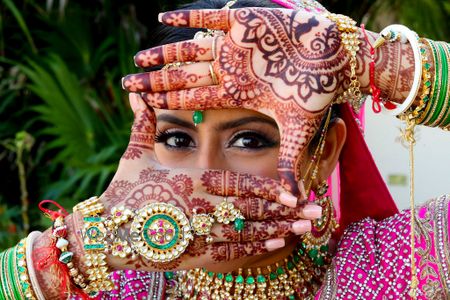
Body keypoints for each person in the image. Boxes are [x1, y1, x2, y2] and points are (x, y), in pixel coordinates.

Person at [0, 0, 449, 299]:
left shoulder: (399, 267)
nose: (204, 174)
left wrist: (367, 63)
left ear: (325, 153)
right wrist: (72, 250)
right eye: (176, 139)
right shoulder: (116, 280)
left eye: (249, 139)